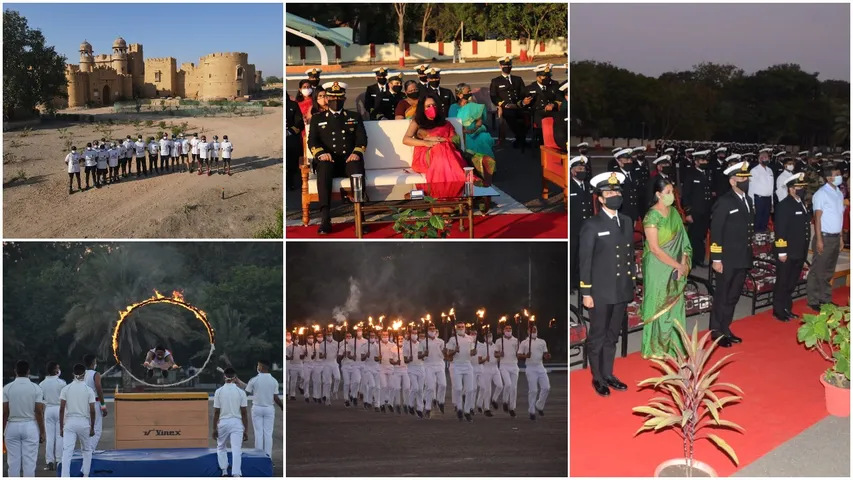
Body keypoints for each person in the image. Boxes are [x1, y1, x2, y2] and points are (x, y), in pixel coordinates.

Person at [578, 171, 636, 397]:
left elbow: (629, 256)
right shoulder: (592, 225)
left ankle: (609, 373)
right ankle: (598, 378)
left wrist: (631, 284)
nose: (615, 195)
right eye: (609, 192)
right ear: (600, 198)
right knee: (598, 336)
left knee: (613, 335)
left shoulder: (628, 221)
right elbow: (585, 261)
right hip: (600, 292)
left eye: (617, 191)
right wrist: (586, 292)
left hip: (621, 288)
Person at [640, 176, 692, 358]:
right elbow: (654, 249)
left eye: (672, 192)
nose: (671, 195)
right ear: (658, 194)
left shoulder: (674, 213)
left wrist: (683, 264)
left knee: (675, 305)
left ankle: (675, 345)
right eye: (668, 192)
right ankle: (656, 347)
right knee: (659, 304)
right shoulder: (651, 216)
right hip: (657, 267)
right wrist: (677, 265)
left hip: (677, 264)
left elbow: (684, 241)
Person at [308, 81, 368, 235]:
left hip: (348, 159)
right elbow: (312, 141)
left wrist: (357, 152)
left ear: (344, 99)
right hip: (329, 160)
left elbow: (362, 139)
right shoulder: (317, 118)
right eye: (332, 98)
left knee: (357, 168)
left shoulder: (354, 117)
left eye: (339, 98)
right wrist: (321, 154)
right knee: (324, 169)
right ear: (327, 98)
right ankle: (325, 218)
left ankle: (360, 216)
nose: (336, 101)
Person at [403, 93, 496, 186]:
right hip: (425, 156)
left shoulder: (445, 123)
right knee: (441, 149)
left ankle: (457, 183)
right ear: (422, 108)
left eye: (434, 105)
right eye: (428, 106)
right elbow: (406, 140)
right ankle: (465, 178)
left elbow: (456, 140)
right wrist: (426, 142)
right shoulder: (417, 122)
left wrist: (441, 140)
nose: (432, 108)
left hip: (446, 154)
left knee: (442, 147)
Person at [709, 161, 755, 348]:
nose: (745, 181)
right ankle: (716, 331)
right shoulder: (725, 201)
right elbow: (716, 232)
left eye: (746, 178)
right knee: (722, 295)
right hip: (726, 259)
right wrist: (716, 259)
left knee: (733, 295)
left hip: (742, 257)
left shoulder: (748, 200)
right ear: (732, 181)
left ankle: (726, 327)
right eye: (741, 178)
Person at [773, 173, 811, 321]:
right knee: (783, 281)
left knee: (791, 282)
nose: (802, 189)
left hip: (799, 250)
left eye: (803, 187)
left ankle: (786, 307)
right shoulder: (784, 205)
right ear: (791, 189)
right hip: (787, 251)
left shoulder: (800, 203)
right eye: (799, 187)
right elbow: (780, 230)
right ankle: (778, 310)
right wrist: (782, 251)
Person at [807, 165, 846, 310]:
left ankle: (825, 299)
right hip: (824, 236)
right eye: (837, 174)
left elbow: (839, 216)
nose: (840, 176)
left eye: (840, 173)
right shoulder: (821, 193)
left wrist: (841, 237)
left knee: (829, 270)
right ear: (829, 178)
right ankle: (813, 300)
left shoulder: (838, 193)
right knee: (818, 269)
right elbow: (817, 218)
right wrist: (819, 240)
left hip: (835, 237)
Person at [3, 360, 46, 477]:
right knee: (29, 463)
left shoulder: (7, 388)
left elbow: (5, 412)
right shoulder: (36, 388)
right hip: (30, 426)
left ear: (15, 371)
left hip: (11, 426)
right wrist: (42, 431)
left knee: (13, 463)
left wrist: (2, 431)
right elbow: (38, 412)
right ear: (28, 371)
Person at [238, 360, 281, 458]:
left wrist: (238, 385)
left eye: (258, 365)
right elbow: (275, 397)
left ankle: (259, 457)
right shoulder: (273, 380)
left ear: (261, 367)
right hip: (269, 408)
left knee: (258, 433)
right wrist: (282, 406)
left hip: (257, 408)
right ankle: (268, 457)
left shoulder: (254, 379)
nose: (257, 367)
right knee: (268, 434)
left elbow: (247, 392)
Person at [58, 363, 95, 478]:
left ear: (73, 374)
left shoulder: (66, 389)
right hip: (84, 422)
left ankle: (65, 476)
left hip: (69, 423)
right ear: (85, 375)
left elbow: (62, 409)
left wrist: (61, 427)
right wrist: (92, 427)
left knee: (67, 451)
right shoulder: (89, 390)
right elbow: (93, 411)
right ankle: (85, 475)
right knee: (87, 450)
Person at [212, 368, 249, 478]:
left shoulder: (218, 392)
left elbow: (216, 412)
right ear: (235, 378)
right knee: (236, 449)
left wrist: (214, 428)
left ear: (224, 377)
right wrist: (246, 430)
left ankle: (224, 471)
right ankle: (236, 473)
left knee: (221, 446)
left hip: (223, 422)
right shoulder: (241, 392)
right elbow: (244, 413)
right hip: (237, 423)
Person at [489, 55, 530, 149]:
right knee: (511, 117)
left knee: (528, 116)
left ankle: (520, 139)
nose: (507, 68)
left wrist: (522, 102)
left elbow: (523, 93)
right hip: (506, 107)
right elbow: (493, 97)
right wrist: (504, 104)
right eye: (505, 66)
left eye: (509, 66)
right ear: (500, 67)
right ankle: (521, 139)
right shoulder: (496, 81)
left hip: (519, 105)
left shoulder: (517, 79)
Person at [681, 150, 713, 267]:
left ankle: (699, 258)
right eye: (702, 160)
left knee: (702, 235)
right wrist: (688, 212)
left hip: (705, 210)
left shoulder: (707, 173)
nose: (705, 162)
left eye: (706, 160)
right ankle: (691, 260)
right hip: (695, 211)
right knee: (694, 236)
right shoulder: (691, 174)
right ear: (696, 162)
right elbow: (686, 195)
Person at [448, 83, 495, 159]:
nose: (470, 93)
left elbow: (479, 121)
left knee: (483, 138)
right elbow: (454, 123)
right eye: (468, 92)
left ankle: (485, 165)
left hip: (475, 130)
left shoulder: (473, 105)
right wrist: (466, 131)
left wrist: (474, 129)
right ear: (460, 95)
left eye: (470, 91)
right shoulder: (454, 107)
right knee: (470, 142)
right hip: (462, 132)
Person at [444, 321, 477, 422]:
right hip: (456, 365)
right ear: (456, 328)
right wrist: (454, 350)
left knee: (470, 390)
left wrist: (474, 352)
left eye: (462, 327)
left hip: (467, 364)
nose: (461, 328)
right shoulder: (453, 339)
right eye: (459, 327)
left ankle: (467, 411)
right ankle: (459, 408)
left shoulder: (470, 339)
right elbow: (448, 354)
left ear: (465, 328)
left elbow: (471, 352)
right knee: (458, 389)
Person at [569, 156, 594, 290]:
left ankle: (579, 282)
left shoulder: (588, 185)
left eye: (583, 168)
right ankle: (570, 283)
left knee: (582, 257)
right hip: (573, 228)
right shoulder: (569, 185)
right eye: (579, 168)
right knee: (572, 257)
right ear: (572, 171)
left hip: (586, 229)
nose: (582, 171)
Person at [518, 325, 551, 421]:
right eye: (532, 330)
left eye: (535, 330)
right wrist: (525, 355)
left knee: (546, 387)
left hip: (540, 366)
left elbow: (545, 353)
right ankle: (531, 411)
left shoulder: (542, 342)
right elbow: (519, 355)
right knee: (533, 390)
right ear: (528, 331)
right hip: (530, 368)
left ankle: (539, 405)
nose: (533, 331)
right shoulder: (524, 343)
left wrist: (547, 356)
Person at [39, 362, 65, 471]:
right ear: (55, 370)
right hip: (59, 409)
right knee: (59, 436)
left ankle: (49, 461)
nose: (59, 370)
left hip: (48, 409)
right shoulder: (62, 383)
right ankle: (59, 460)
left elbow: (40, 400)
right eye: (58, 368)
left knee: (49, 437)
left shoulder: (42, 384)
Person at [82, 354, 107, 451]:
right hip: (95, 403)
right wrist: (103, 406)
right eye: (95, 361)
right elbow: (99, 388)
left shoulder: (82, 374)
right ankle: (90, 450)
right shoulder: (95, 374)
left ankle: (87, 449)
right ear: (93, 362)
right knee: (97, 430)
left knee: (87, 429)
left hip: (84, 404)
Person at [422, 323, 446, 418]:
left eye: (433, 328)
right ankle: (428, 408)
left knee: (443, 384)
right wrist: (424, 354)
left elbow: (445, 353)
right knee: (430, 388)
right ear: (427, 331)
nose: (432, 330)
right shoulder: (423, 342)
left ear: (436, 330)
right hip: (429, 365)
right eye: (430, 328)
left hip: (439, 364)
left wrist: (445, 352)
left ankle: (441, 401)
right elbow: (419, 356)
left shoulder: (441, 341)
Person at [495, 322, 520, 416]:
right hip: (504, 365)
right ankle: (505, 401)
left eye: (510, 328)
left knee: (513, 388)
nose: (508, 330)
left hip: (514, 365)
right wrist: (499, 354)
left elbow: (519, 353)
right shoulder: (499, 341)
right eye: (506, 329)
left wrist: (519, 353)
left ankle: (512, 408)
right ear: (503, 330)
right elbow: (495, 354)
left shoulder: (516, 340)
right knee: (508, 384)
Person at [476, 330, 503, 417]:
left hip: (495, 368)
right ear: (484, 338)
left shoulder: (496, 346)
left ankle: (494, 399)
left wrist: (499, 357)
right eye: (487, 336)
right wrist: (485, 359)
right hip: (486, 369)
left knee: (500, 385)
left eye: (491, 335)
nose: (490, 337)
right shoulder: (482, 347)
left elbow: (498, 358)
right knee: (487, 390)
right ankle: (486, 408)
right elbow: (479, 361)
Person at [526, 64, 560, 130]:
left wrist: (553, 104)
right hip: (538, 112)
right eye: (544, 76)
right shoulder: (530, 88)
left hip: (553, 111)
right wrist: (525, 102)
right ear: (538, 77)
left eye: (548, 76)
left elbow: (559, 99)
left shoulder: (555, 85)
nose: (547, 78)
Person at [610, 148, 640, 223]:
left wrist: (635, 215)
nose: (629, 162)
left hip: (632, 214)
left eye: (630, 160)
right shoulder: (615, 177)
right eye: (626, 160)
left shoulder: (633, 174)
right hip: (621, 214)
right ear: (619, 162)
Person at [749, 151, 775, 232]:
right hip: (758, 199)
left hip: (768, 199)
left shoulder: (770, 170)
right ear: (759, 160)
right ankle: (756, 239)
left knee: (765, 220)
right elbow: (751, 188)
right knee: (758, 220)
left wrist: (772, 203)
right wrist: (752, 204)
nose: (766, 159)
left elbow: (771, 187)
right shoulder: (754, 171)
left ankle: (763, 240)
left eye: (767, 157)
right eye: (764, 157)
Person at [403, 330, 425, 417]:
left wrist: (424, 355)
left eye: (416, 333)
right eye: (413, 333)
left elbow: (423, 357)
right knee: (415, 387)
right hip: (411, 368)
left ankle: (420, 408)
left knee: (420, 389)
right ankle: (410, 405)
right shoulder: (406, 345)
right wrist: (409, 359)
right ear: (410, 335)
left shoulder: (421, 344)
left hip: (421, 367)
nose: (415, 335)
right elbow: (405, 360)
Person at [359, 330, 381, 412]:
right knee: (371, 385)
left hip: (376, 367)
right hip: (367, 367)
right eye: (370, 336)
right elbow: (362, 358)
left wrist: (379, 358)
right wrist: (366, 355)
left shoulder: (378, 346)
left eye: (373, 336)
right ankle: (368, 400)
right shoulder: (364, 346)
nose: (372, 337)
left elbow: (379, 359)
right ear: (368, 337)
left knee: (378, 387)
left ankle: (377, 405)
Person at [377, 330, 397, 413]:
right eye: (383, 335)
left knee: (392, 386)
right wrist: (378, 358)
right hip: (382, 367)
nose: (385, 336)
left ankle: (390, 403)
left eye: (386, 335)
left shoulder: (393, 345)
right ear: (381, 336)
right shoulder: (377, 345)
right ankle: (381, 403)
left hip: (391, 367)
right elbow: (375, 358)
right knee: (384, 386)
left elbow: (396, 356)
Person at [391, 333, 411, 415]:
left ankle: (406, 404)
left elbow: (409, 358)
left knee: (407, 387)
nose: (400, 340)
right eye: (398, 339)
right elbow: (390, 360)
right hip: (396, 370)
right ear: (395, 340)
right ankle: (398, 404)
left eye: (401, 339)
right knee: (397, 388)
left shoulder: (407, 348)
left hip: (405, 369)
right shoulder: (392, 349)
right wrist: (395, 362)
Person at [319, 329, 340, 405]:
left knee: (338, 378)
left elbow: (338, 353)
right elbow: (320, 356)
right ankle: (327, 398)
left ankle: (335, 391)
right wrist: (323, 355)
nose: (329, 336)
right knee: (328, 382)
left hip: (334, 363)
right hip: (326, 364)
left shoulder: (336, 343)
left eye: (330, 334)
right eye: (328, 335)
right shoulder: (322, 344)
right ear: (326, 336)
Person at [338, 331, 357, 408]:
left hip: (354, 366)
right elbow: (338, 359)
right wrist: (343, 355)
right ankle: (346, 399)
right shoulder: (342, 347)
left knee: (355, 382)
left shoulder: (355, 347)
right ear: (345, 338)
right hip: (345, 366)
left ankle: (352, 394)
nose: (348, 338)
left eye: (350, 337)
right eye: (347, 337)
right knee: (346, 383)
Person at [285, 331, 305, 401]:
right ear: (293, 340)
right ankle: (292, 394)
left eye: (297, 339)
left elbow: (302, 356)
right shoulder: (289, 347)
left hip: (300, 364)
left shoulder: (301, 347)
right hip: (292, 365)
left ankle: (301, 386)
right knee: (293, 381)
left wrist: (304, 355)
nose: (296, 340)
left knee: (303, 377)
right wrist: (290, 358)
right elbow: (286, 356)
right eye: (295, 339)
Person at [303, 332, 321, 403]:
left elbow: (317, 356)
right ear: (307, 339)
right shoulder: (304, 347)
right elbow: (300, 357)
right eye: (309, 338)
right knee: (307, 380)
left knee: (317, 381)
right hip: (306, 364)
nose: (311, 339)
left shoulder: (316, 346)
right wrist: (304, 354)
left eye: (312, 338)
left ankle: (316, 396)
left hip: (315, 364)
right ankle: (306, 395)